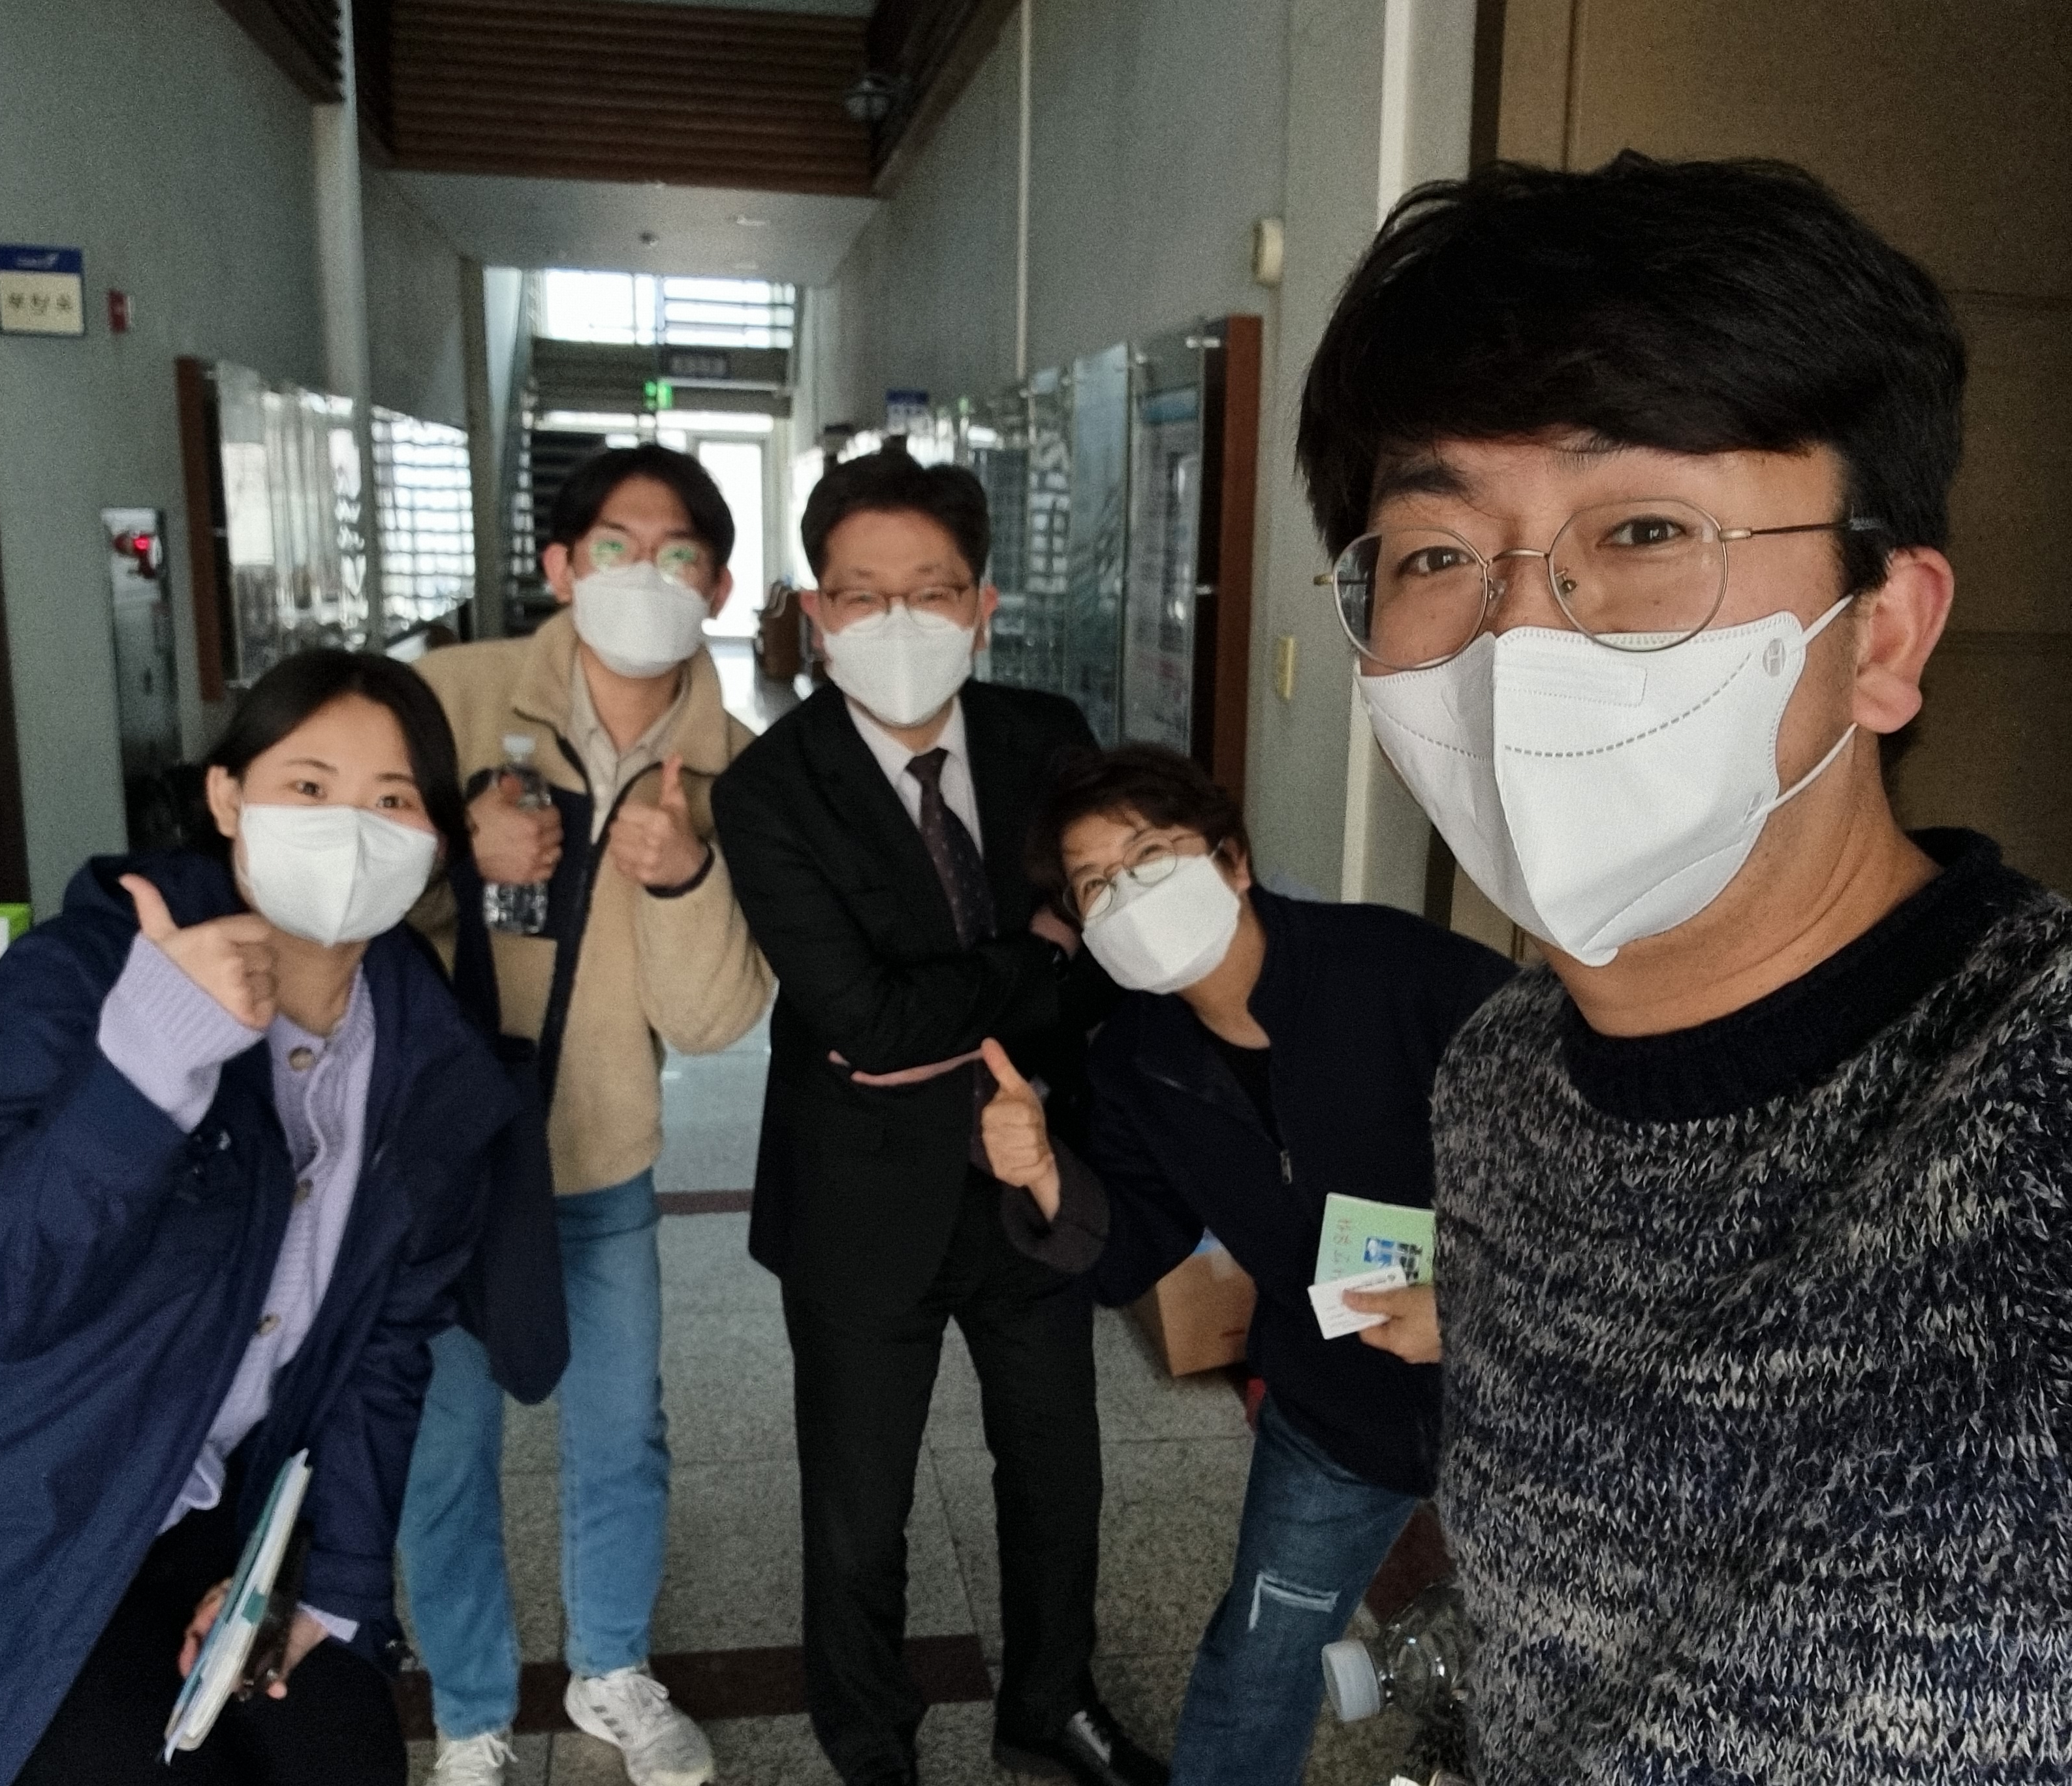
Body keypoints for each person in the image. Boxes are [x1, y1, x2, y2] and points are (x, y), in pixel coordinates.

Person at [1293, 152, 2072, 1781]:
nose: (1520, 640)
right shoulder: (1502, 1081)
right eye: (1434, 555)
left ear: (1883, 633)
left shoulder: (2035, 1108)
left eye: (1644, 528)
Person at [0, 650, 565, 1786]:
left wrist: (342, 1582)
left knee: (347, 1753)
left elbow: (385, 1347)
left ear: (436, 844)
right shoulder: (80, 976)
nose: (351, 829)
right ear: (227, 798)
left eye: (392, 800)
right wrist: (147, 1063)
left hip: (199, 1511)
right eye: (308, 786)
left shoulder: (427, 1065)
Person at [713, 450, 1161, 1786]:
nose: (896, 621)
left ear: (983, 604)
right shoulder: (769, 788)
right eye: (861, 594)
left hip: (1033, 1176)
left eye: (933, 590)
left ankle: (1051, 1704)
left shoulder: (1047, 738)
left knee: (1058, 1477)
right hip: (861, 1200)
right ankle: (873, 1747)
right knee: (861, 1512)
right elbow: (863, 1018)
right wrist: (1032, 961)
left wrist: (1016, 979)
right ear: (815, 610)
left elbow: (1108, 943)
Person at [975, 743, 1510, 1785]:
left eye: (1151, 856)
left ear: (1232, 860)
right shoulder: (1136, 1062)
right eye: (1096, 885)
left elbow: (1584, 1149)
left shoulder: (1397, 972)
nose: (1128, 895)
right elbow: (1132, 1249)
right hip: (1333, 1405)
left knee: (1572, 1662)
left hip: (1526, 1387)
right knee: (1257, 1664)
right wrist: (1043, 1172)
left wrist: (1476, 1304)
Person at [400, 443, 773, 1786]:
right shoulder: (447, 700)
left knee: (621, 1433)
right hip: (442, 1162)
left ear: (717, 586)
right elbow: (330, 898)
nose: (644, 576)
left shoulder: (738, 769)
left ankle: (611, 1668)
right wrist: (459, 848)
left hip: (601, 1159)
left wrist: (681, 879)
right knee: (445, 1450)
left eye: (679, 556)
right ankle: (469, 1713)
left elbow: (718, 1021)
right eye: (615, 547)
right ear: (560, 567)